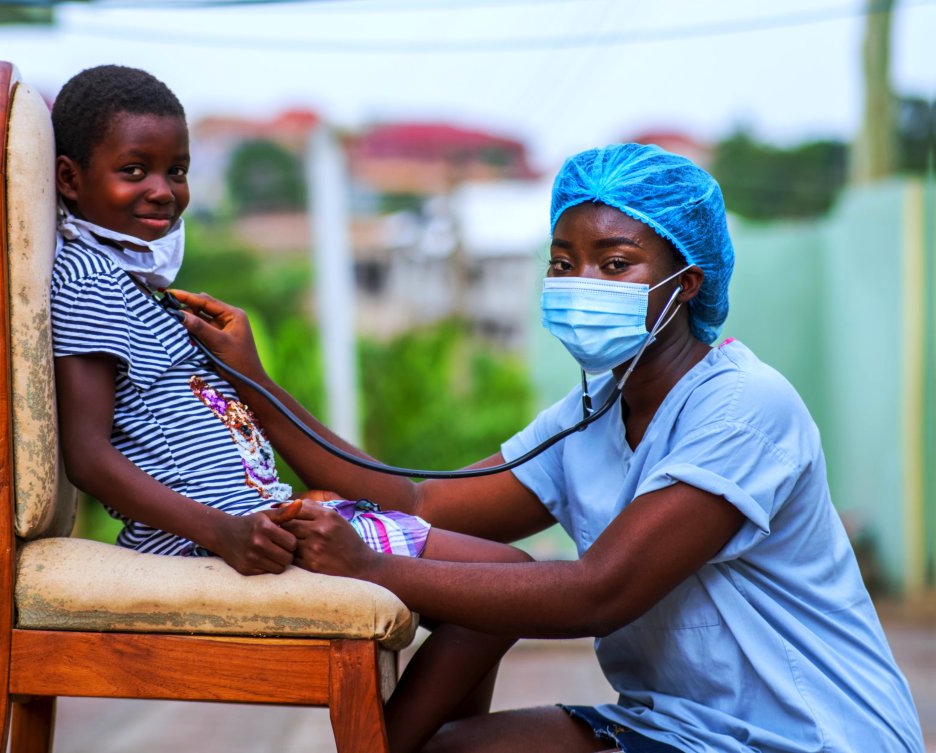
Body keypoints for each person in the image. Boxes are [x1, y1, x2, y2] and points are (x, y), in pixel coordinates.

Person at [173, 144, 926, 753]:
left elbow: (600, 589)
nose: (580, 281)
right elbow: (418, 498)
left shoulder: (744, 408)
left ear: (688, 283)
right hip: (672, 727)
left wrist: (370, 565)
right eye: (563, 262)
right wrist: (254, 381)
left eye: (615, 262)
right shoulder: (594, 412)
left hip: (810, 735)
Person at [48, 64, 532, 753]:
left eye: (177, 170)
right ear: (70, 179)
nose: (163, 190)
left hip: (266, 520)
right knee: (504, 581)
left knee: (492, 586)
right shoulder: (92, 283)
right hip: (209, 538)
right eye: (135, 169)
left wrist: (250, 378)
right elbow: (89, 456)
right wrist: (222, 531)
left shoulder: (139, 284)